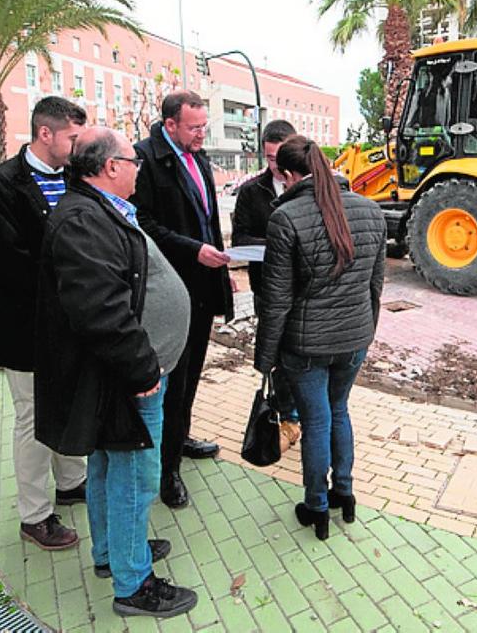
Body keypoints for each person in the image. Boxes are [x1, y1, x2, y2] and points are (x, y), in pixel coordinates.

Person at [35, 127, 197, 617]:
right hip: (126, 374)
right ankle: (134, 584)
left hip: (121, 371)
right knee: (135, 476)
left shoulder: (97, 209)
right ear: (110, 166)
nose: (139, 169)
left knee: (108, 464)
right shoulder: (83, 219)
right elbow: (101, 309)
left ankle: (112, 553)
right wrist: (142, 367)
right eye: (133, 162)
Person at [253, 135, 387, 540]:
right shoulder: (371, 211)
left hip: (306, 345)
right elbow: (375, 286)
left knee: (316, 422)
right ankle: (343, 495)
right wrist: (365, 331)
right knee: (338, 411)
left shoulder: (287, 218)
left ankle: (316, 506)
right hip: (354, 339)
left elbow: (275, 301)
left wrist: (264, 359)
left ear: (288, 174)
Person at [0, 97, 89, 550]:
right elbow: (8, 264)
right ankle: (35, 515)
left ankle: (72, 481)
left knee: (70, 405)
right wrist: (75, 282)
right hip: (26, 329)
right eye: (73, 138)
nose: (78, 147)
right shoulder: (2, 186)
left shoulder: (74, 179)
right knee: (35, 417)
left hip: (72, 323)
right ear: (47, 134)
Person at [130, 91, 233, 509]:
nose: (200, 133)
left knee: (190, 379)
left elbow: (208, 220)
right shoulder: (144, 160)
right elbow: (143, 223)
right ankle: (167, 471)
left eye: (204, 126)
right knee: (172, 379)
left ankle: (180, 435)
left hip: (203, 286)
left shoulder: (198, 157)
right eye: (194, 127)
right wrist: (193, 250)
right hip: (171, 289)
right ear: (169, 124)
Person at [231, 119, 303, 448]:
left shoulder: (310, 188)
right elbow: (241, 235)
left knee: (299, 355)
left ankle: (300, 414)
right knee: (274, 355)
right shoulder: (251, 191)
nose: (275, 165)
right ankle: (283, 413)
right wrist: (276, 244)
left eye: (280, 157)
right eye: (269, 158)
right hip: (266, 288)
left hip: (303, 291)